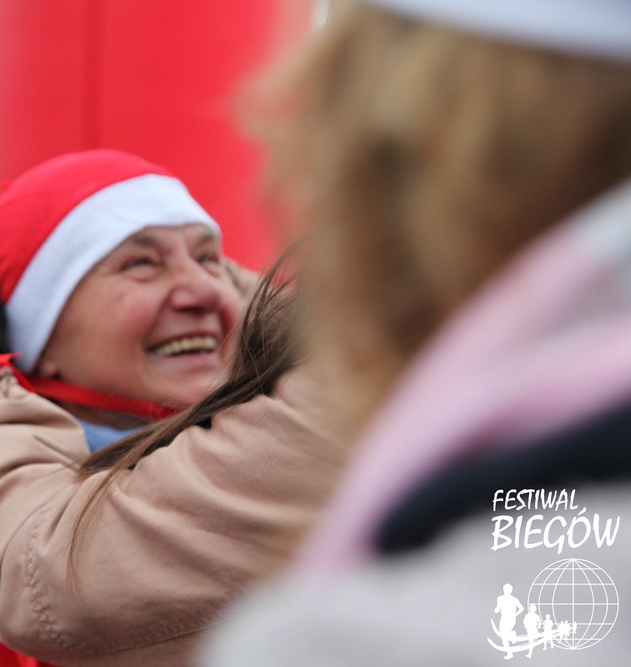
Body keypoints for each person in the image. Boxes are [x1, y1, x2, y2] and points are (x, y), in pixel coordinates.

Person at [200, 1, 631, 665]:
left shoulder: (376, 638)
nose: (194, 291)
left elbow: (62, 570)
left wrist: (8, 402)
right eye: (138, 263)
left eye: (205, 257)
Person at [0, 164, 342, 662]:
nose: (205, 292)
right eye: (141, 264)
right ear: (40, 341)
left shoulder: (296, 428)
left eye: (209, 258)